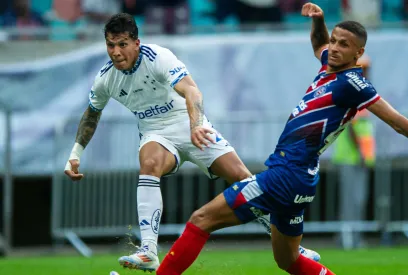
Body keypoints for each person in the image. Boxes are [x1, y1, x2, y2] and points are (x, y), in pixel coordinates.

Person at [155, 3, 408, 275]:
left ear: (360, 53)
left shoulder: (353, 84)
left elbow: (398, 122)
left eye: (344, 45)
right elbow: (318, 45)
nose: (335, 48)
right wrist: (319, 21)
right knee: (288, 261)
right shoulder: (330, 66)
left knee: (201, 219)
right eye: (335, 41)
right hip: (299, 180)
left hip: (284, 176)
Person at [62, 13, 320, 272]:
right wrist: (75, 153)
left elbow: (191, 90)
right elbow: (91, 114)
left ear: (136, 42)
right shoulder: (106, 78)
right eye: (110, 45)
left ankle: (292, 248)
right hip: (156, 134)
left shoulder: (158, 57)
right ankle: (149, 250)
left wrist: (196, 126)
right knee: (149, 163)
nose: (116, 52)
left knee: (243, 180)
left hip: (189, 123)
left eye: (122, 44)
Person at [332, 54, 375, 249]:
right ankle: (348, 240)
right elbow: (351, 127)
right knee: (351, 202)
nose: (365, 72)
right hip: (351, 158)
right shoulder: (353, 91)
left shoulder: (361, 91)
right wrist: (361, 153)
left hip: (358, 158)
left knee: (357, 200)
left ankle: (352, 239)